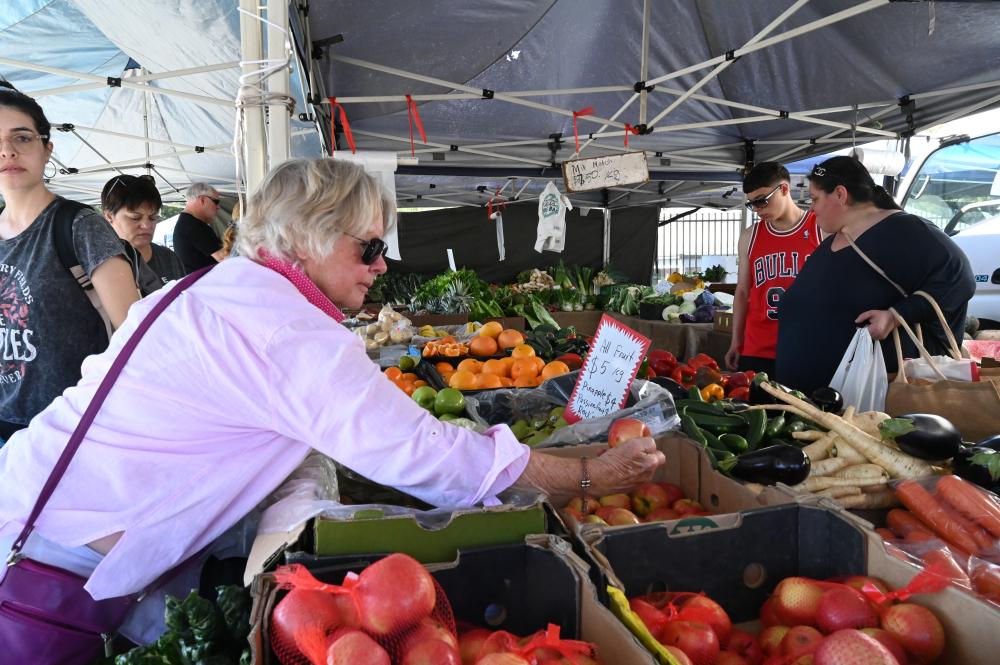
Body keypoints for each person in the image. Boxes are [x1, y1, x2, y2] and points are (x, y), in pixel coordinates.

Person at [0, 158, 664, 649]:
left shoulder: (227, 290)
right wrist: (588, 476)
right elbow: (426, 455)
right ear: (307, 238)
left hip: (47, 518)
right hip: (46, 560)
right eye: (369, 246)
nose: (381, 265)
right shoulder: (285, 329)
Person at [0, 82, 139, 441]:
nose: (7, 151)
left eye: (22, 138)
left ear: (47, 149)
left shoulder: (78, 225)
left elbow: (135, 332)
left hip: (69, 430)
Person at [776, 155, 976, 394]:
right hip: (812, 399)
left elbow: (959, 277)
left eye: (815, 199)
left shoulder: (905, 229)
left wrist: (896, 314)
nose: (812, 208)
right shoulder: (839, 236)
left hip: (865, 400)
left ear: (840, 195)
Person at [725, 162, 820, 376]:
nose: (758, 210)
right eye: (752, 204)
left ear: (784, 189)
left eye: (762, 201)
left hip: (806, 347)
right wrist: (736, 342)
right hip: (758, 347)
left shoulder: (819, 228)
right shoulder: (750, 236)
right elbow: (742, 292)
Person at [101, 174, 186, 293]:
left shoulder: (169, 257)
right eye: (135, 218)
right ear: (109, 216)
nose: (146, 225)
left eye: (153, 217)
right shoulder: (103, 266)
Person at [172, 182, 226, 272]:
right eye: (216, 202)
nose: (218, 207)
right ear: (202, 200)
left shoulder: (188, 222)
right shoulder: (193, 225)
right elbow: (224, 257)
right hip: (203, 283)